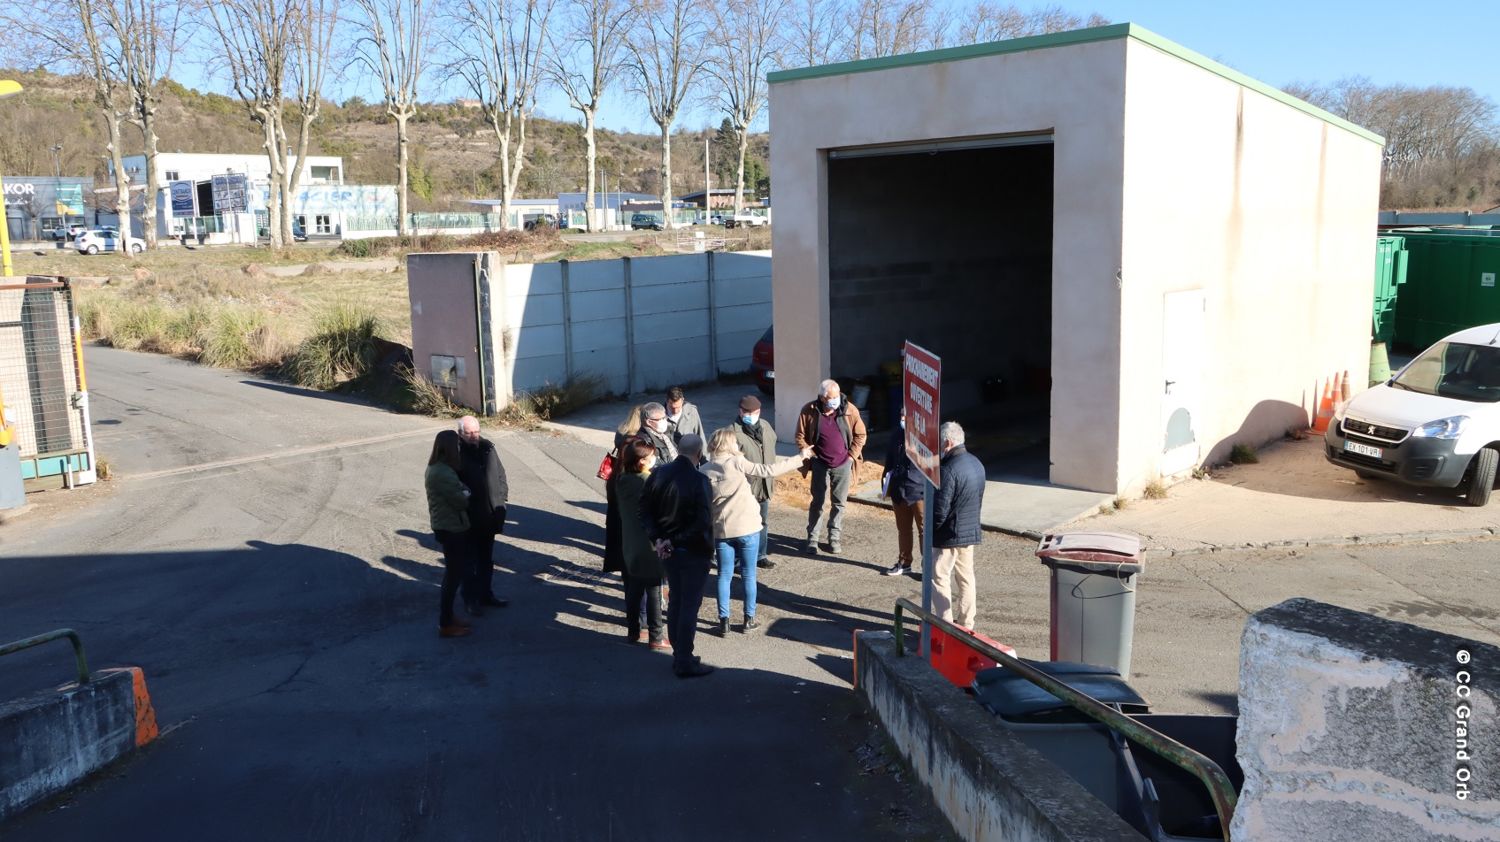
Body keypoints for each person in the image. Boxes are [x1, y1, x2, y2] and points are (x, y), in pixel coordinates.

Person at [701, 429, 812, 636]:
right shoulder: (737, 462)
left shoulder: (704, 470)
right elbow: (768, 470)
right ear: (729, 444)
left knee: (723, 575)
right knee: (748, 575)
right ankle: (748, 619)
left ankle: (723, 621)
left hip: (722, 530)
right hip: (748, 528)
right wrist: (800, 457)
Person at [638, 433, 715, 678]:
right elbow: (702, 521)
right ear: (699, 454)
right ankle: (684, 658)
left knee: (676, 602)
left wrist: (658, 539)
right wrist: (672, 540)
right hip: (692, 550)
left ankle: (680, 654)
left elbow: (644, 510)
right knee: (688, 605)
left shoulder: (658, 474)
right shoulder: (699, 480)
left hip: (668, 550)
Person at [795, 379, 867, 555]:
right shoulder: (809, 410)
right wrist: (808, 452)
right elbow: (800, 435)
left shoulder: (850, 410)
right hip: (819, 464)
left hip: (843, 465)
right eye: (830, 398)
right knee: (818, 502)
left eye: (836, 397)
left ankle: (834, 538)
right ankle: (812, 539)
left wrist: (851, 457)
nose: (834, 401)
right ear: (822, 397)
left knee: (839, 503)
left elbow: (861, 435)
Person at [930, 422, 986, 629]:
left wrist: (930, 532)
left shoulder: (948, 469)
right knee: (966, 578)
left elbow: (940, 509)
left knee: (940, 577)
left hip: (949, 535)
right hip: (969, 530)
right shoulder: (977, 464)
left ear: (947, 442)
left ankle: (944, 622)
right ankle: (966, 622)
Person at [616, 437, 669, 650]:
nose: (654, 459)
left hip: (629, 543)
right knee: (654, 590)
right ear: (641, 462)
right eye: (650, 456)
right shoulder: (649, 481)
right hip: (649, 543)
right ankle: (656, 636)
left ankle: (633, 631)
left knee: (633, 590)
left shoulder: (621, 481)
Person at [457, 416, 510, 615]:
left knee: (486, 560)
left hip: (489, 517)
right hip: (469, 520)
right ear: (460, 434)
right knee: (469, 563)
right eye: (469, 433)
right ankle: (470, 601)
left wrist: (501, 499)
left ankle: (486, 594)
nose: (473, 436)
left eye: (476, 432)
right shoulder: (456, 454)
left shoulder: (488, 448)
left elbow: (501, 475)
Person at [424, 430, 473, 638]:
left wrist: (462, 489)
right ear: (450, 448)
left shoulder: (438, 468)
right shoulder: (442, 472)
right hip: (451, 528)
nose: (460, 448)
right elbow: (460, 499)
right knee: (452, 576)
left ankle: (449, 617)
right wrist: (466, 493)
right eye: (458, 445)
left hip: (447, 525)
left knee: (453, 574)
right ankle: (445, 623)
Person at [732, 395, 779, 569]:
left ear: (759, 412)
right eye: (746, 412)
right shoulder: (732, 433)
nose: (750, 415)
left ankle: (760, 555)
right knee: (740, 526)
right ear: (740, 411)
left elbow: (770, 449)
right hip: (744, 489)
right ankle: (738, 560)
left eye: (754, 412)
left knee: (762, 522)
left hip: (764, 485)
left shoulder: (766, 427)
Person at [881, 407, 926, 577]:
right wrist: (886, 484)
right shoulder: (896, 435)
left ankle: (927, 567)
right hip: (899, 489)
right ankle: (904, 562)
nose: (902, 418)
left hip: (919, 490)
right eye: (901, 415)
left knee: (924, 530)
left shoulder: (924, 438)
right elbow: (889, 461)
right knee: (903, 529)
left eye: (905, 416)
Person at [603, 405, 645, 576]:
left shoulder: (621, 431)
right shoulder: (638, 440)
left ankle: (624, 568)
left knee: (619, 531)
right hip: (629, 483)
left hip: (615, 480)